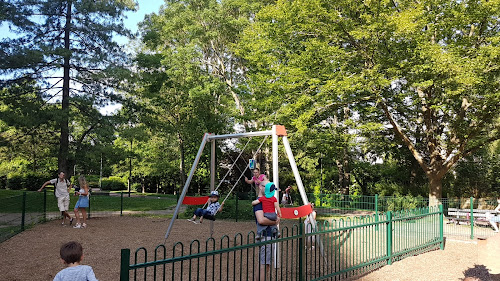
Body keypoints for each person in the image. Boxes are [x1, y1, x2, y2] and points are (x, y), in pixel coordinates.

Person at [253, 181, 280, 281]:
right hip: (266, 236)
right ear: (260, 187)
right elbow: (261, 220)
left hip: (268, 235)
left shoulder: (268, 200)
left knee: (262, 262)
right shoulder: (260, 202)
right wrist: (275, 221)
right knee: (265, 264)